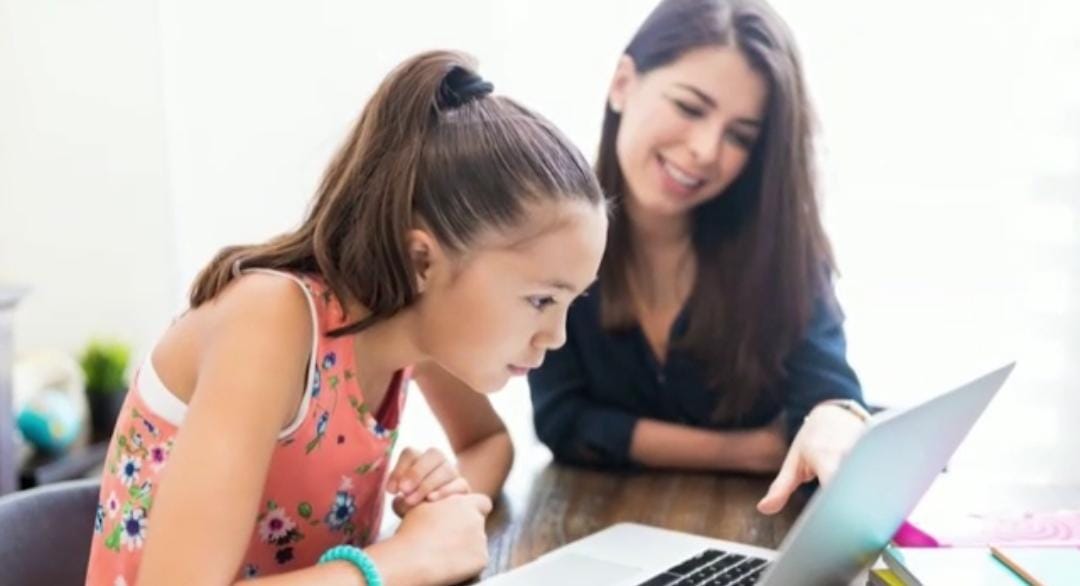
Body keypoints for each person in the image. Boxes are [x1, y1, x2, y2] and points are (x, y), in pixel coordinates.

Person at [84, 50, 607, 586]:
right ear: (422, 260)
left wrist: (444, 502)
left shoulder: (417, 331)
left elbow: (486, 444)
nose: (557, 337)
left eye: (571, 303)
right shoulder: (272, 321)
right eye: (542, 300)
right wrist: (408, 559)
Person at [529, 0, 868, 517]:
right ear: (623, 83)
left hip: (759, 530)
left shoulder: (780, 248)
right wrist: (750, 451)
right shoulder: (553, 238)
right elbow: (563, 421)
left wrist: (836, 419)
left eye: (740, 136)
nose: (707, 150)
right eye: (689, 107)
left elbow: (830, 397)